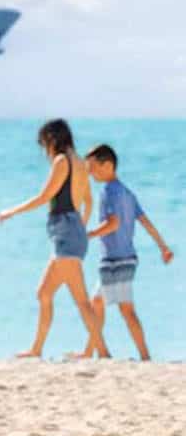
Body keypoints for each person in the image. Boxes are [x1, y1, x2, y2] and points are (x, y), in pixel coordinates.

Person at [0, 119, 107, 358]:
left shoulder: (61, 161)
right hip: (71, 230)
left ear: (52, 138)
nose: (44, 149)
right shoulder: (79, 162)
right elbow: (88, 200)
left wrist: (11, 211)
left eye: (44, 143)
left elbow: (44, 196)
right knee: (44, 293)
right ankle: (36, 349)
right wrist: (81, 226)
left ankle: (104, 353)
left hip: (65, 232)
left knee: (81, 300)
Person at [74, 144, 174, 360]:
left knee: (124, 311)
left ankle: (141, 356)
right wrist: (162, 246)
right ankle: (96, 352)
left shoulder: (109, 192)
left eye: (92, 168)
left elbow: (113, 224)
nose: (90, 173)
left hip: (115, 261)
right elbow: (145, 221)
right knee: (99, 303)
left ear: (108, 165)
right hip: (125, 259)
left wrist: (88, 235)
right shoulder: (127, 192)